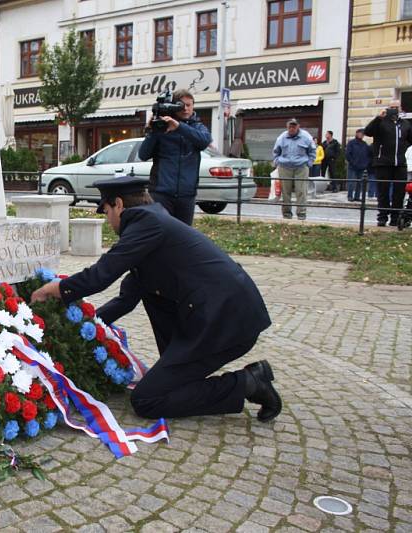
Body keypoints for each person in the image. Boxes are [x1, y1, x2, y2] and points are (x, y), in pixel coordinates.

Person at [30, 176, 281, 423]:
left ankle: (248, 383)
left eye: (106, 211)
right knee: (164, 380)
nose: (108, 220)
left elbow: (100, 275)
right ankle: (219, 377)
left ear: (118, 204)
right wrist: (83, 329)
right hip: (216, 316)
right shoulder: (151, 224)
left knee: (147, 400)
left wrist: (56, 289)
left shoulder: (146, 224)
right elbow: (126, 300)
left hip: (226, 320)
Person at [137, 89, 212, 226]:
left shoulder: (197, 127)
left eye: (189, 105)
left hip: (186, 194)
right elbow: (143, 155)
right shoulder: (161, 127)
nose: (185, 109)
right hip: (161, 193)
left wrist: (178, 126)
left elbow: (204, 141)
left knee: (184, 235)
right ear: (173, 106)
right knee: (160, 232)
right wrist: (152, 132)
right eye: (181, 105)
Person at [364, 100, 412, 226]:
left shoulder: (405, 124)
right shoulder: (380, 123)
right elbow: (368, 132)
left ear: (400, 109)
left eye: (396, 107)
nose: (394, 110)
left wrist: (403, 147)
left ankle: (395, 218)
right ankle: (382, 217)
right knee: (383, 192)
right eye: (391, 107)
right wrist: (378, 118)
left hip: (400, 163)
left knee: (399, 192)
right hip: (383, 163)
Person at [273, 118, 316, 220]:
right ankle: (287, 214)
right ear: (287, 127)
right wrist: (277, 162)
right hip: (284, 167)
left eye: (294, 126)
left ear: (298, 127)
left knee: (301, 191)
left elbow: (312, 151)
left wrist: (308, 164)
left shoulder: (306, 137)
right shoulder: (281, 137)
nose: (291, 128)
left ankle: (301, 214)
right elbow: (276, 151)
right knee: (285, 192)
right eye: (290, 126)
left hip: (301, 167)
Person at [345, 129, 372, 202]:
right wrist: (353, 162)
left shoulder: (364, 144)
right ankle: (350, 196)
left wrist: (366, 163)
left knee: (360, 183)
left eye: (363, 134)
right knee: (351, 182)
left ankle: (357, 196)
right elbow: (347, 154)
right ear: (357, 134)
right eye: (360, 133)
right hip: (353, 166)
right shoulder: (351, 143)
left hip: (362, 167)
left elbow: (368, 155)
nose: (361, 135)